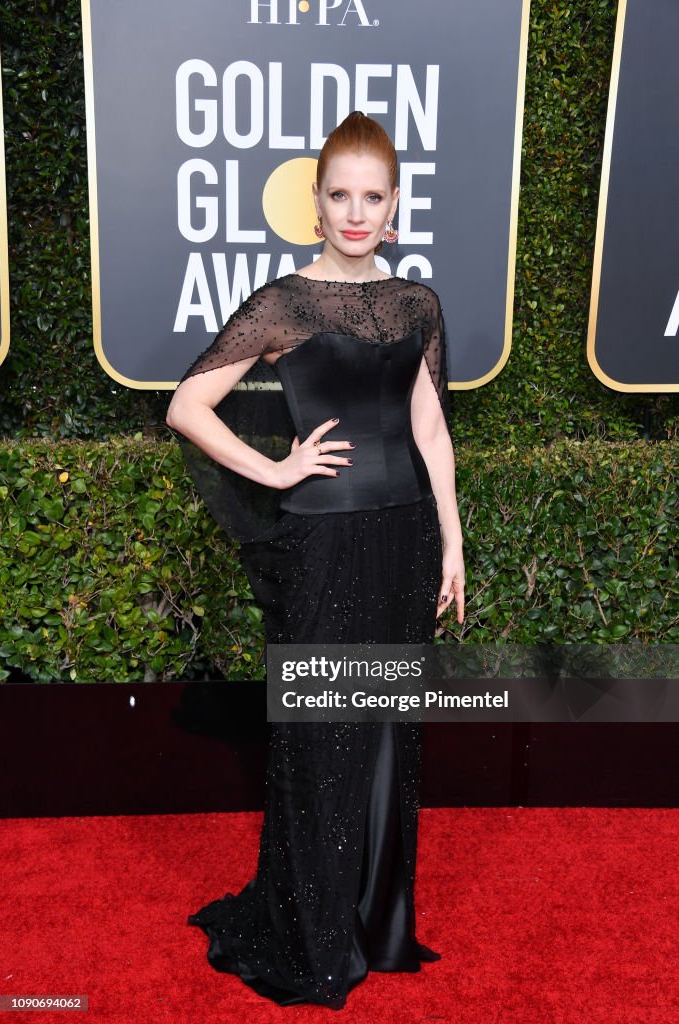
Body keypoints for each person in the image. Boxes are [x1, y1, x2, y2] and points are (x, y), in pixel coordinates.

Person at [166, 111, 465, 1010]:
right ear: (316, 202)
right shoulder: (286, 302)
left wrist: (451, 536)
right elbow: (188, 405)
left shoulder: (418, 304)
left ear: (396, 203)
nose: (356, 211)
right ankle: (311, 929)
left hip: (403, 537)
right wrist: (277, 466)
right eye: (340, 195)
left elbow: (427, 425)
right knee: (319, 736)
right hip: (322, 542)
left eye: (373, 196)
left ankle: (375, 922)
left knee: (383, 738)